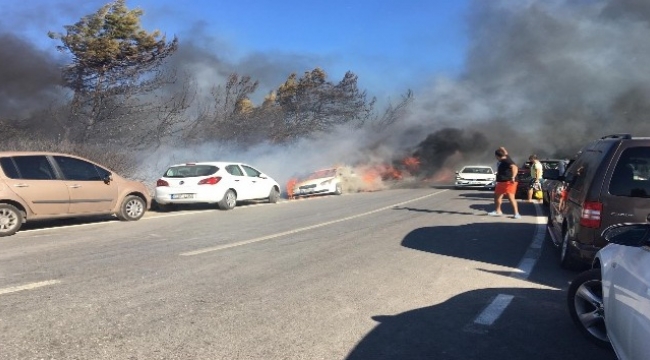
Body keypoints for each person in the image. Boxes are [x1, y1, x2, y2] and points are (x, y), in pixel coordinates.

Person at [489, 148, 521, 219]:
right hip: (501, 182)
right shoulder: (506, 157)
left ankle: (516, 213)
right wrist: (501, 148)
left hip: (509, 182)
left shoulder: (507, 160)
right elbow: (505, 151)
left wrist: (513, 177)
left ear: (497, 156)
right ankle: (498, 211)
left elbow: (515, 167)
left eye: (496, 156)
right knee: (497, 196)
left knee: (511, 197)